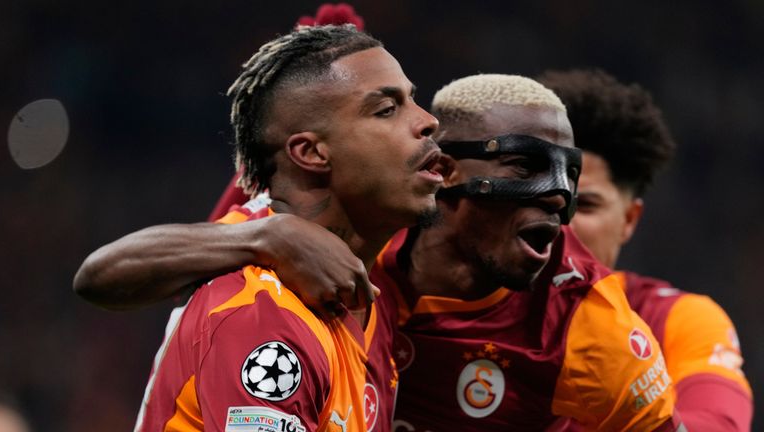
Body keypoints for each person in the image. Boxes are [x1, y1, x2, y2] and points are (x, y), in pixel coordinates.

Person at [76, 73, 686, 431]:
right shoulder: (360, 223)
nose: (556, 195)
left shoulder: (589, 330)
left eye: (568, 175)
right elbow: (102, 276)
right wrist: (261, 235)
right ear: (442, 170)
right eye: (524, 165)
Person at [131, 24, 443, 431]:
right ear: (311, 152)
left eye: (413, 100)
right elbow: (96, 277)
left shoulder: (366, 291)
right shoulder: (261, 316)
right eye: (387, 110)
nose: (428, 121)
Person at [538, 68, 753, 431]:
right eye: (547, 202)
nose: (562, 226)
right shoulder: (445, 299)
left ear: (629, 220)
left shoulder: (678, 319)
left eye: (586, 206)